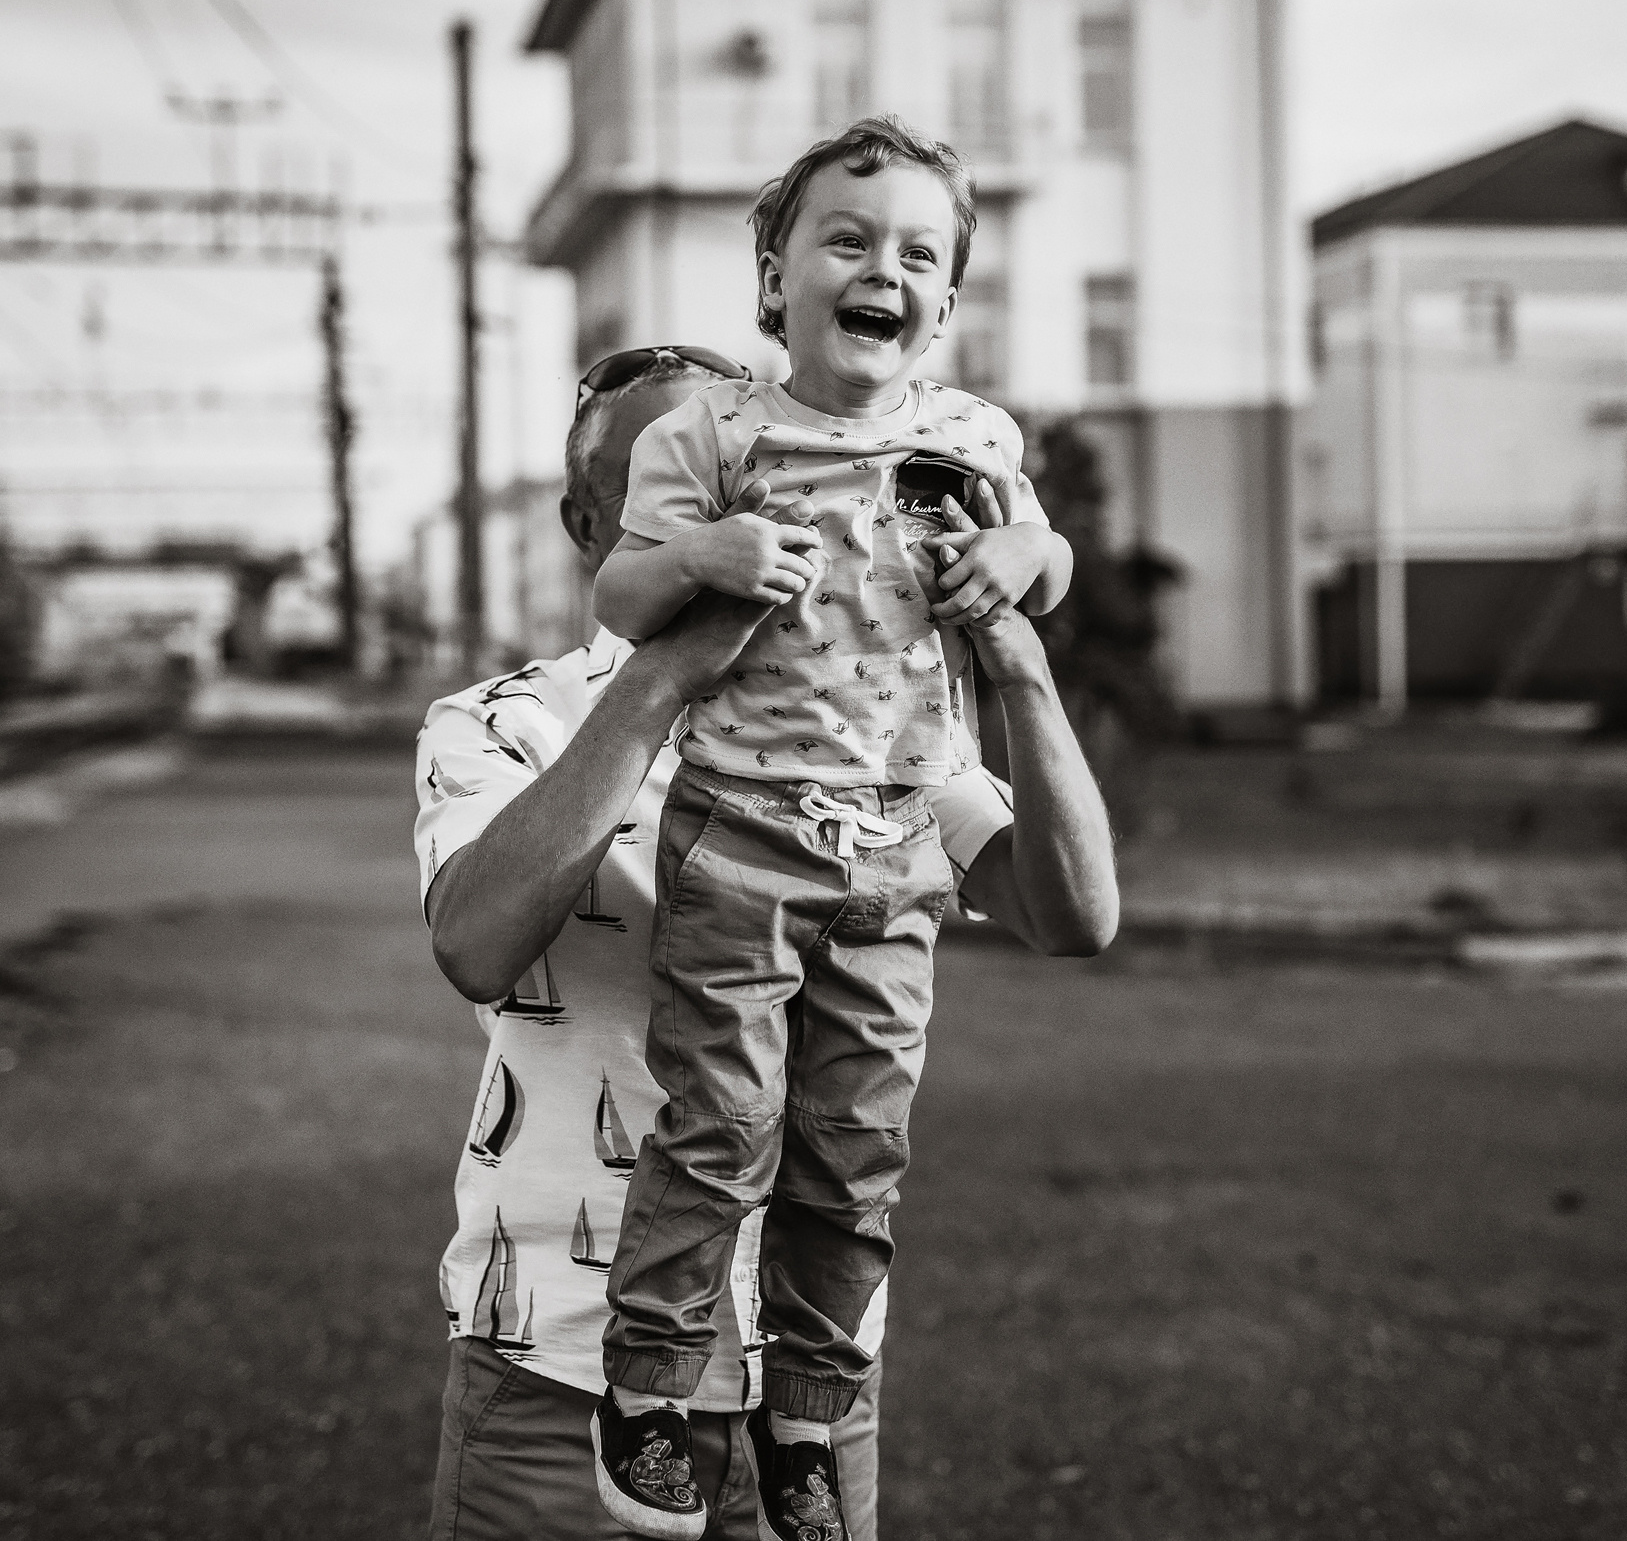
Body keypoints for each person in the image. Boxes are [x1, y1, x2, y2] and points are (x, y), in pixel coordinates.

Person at [419, 344, 1118, 1541]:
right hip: (557, 1363)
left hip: (805, 1388)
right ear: (596, 518)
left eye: (763, 476)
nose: (746, 506)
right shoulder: (504, 720)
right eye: (678, 479)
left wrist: (1018, 671)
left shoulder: (872, 735)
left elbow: (1074, 914)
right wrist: (676, 667)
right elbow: (479, 945)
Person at [583, 118, 1078, 1541]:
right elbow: (624, 594)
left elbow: (1043, 556)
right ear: (774, 277)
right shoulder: (715, 431)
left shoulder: (972, 435)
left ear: (948, 300)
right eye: (848, 240)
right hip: (740, 826)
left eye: (921, 252)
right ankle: (657, 1383)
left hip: (901, 845)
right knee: (726, 1120)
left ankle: (806, 1411)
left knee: (854, 1144)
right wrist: (699, 556)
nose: (885, 269)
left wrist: (1017, 556)